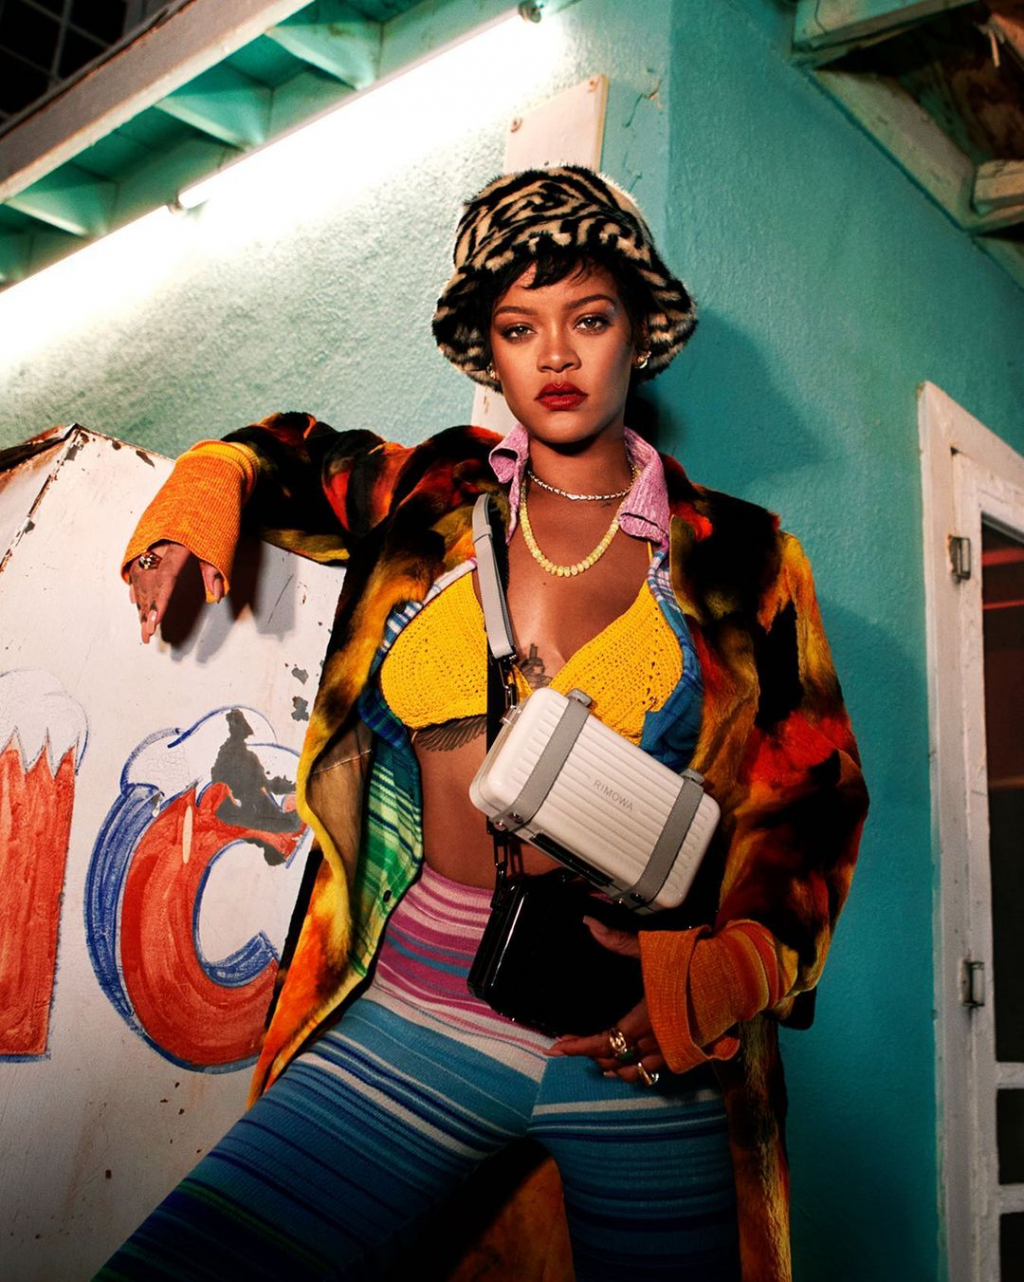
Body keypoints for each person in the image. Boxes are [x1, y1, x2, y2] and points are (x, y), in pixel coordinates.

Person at [108, 166, 867, 1281]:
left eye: (589, 319)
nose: (556, 356)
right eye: (520, 327)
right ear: (488, 349)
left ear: (639, 334)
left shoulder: (744, 556)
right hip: (418, 1007)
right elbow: (285, 453)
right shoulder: (433, 498)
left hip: (641, 1054)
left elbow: (813, 802)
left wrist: (721, 979)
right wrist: (197, 504)